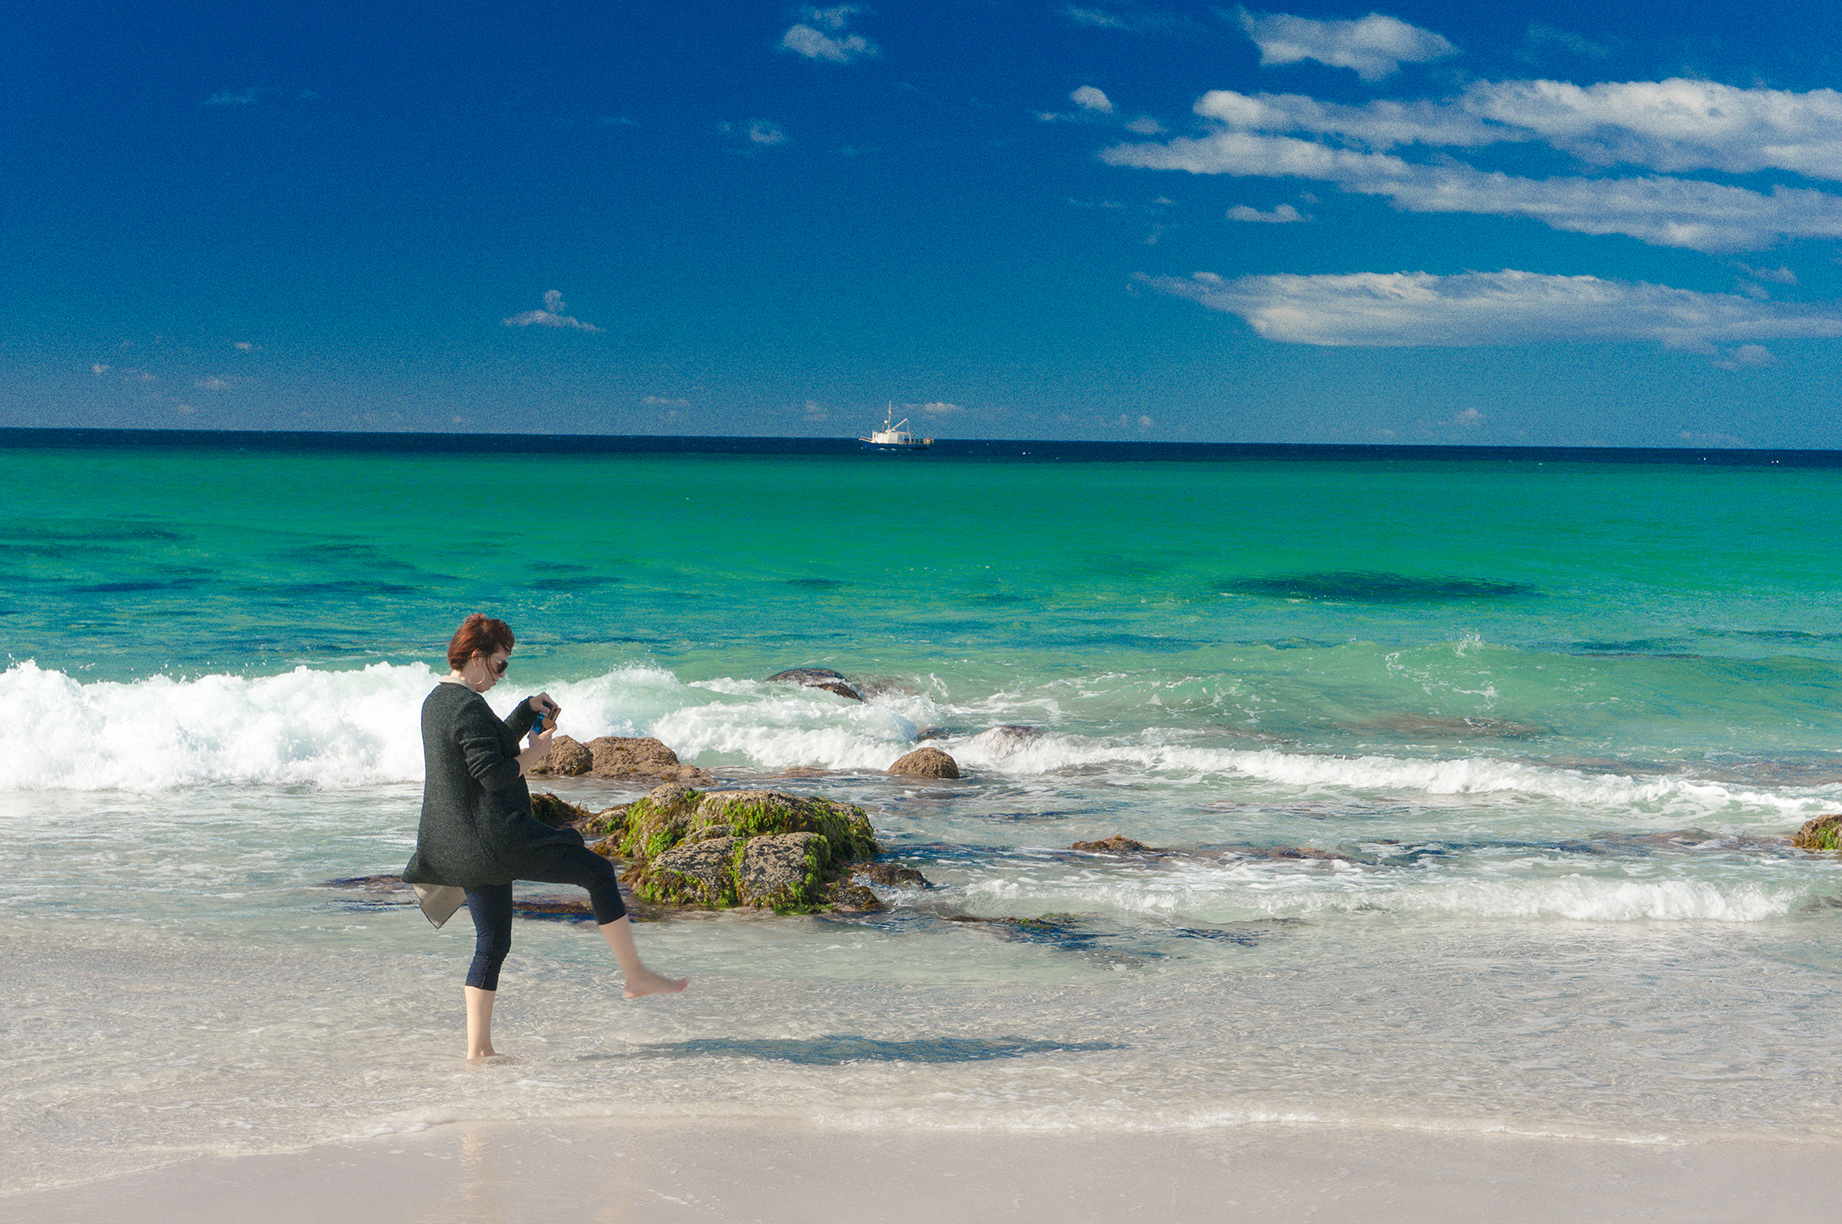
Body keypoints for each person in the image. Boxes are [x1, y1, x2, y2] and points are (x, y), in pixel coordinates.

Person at [404, 613, 686, 1060]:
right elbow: (494, 774)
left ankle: (479, 1052)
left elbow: (484, 741)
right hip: (495, 841)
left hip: (459, 844)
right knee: (596, 871)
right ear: (475, 659)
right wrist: (533, 754)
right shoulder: (467, 708)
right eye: (499, 665)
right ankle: (635, 975)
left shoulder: (437, 701)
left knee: (493, 942)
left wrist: (525, 710)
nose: (501, 675)